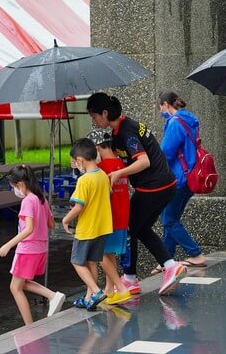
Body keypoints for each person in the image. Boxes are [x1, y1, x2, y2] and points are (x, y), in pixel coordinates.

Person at [87, 92, 187, 296]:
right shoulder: (119, 131)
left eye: (94, 116)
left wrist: (118, 173)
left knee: (133, 227)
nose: (94, 121)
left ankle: (165, 267)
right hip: (164, 185)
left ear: (105, 113)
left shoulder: (127, 131)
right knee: (138, 228)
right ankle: (135, 276)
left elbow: (144, 161)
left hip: (154, 186)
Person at [0, 165, 66, 324]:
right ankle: (51, 297)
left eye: (13, 186)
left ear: (20, 184)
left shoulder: (28, 201)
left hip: (27, 249)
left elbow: (29, 229)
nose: (14, 190)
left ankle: (32, 322)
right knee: (22, 283)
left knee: (15, 288)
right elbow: (51, 224)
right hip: (41, 249)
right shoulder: (41, 198)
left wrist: (8, 245)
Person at [61, 138, 114, 310]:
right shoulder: (103, 176)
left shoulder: (84, 180)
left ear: (80, 160)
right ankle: (89, 298)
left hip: (87, 229)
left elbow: (78, 206)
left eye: (75, 161)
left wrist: (65, 219)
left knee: (77, 262)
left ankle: (96, 292)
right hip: (103, 228)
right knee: (92, 262)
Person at [157, 90, 206, 269]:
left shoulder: (175, 123)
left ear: (165, 105)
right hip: (191, 176)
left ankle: (196, 254)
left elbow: (165, 153)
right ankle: (166, 260)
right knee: (170, 218)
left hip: (178, 178)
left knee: (169, 220)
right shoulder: (191, 120)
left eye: (160, 107)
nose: (160, 111)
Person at [87, 128, 133, 304]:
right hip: (122, 217)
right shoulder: (122, 165)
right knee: (111, 254)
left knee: (101, 256)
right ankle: (110, 289)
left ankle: (121, 289)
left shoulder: (101, 169)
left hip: (108, 219)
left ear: (97, 148)